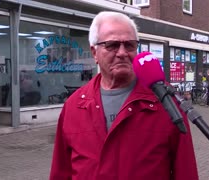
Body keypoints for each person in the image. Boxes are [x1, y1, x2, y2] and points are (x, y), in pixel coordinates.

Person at [50, 11, 198, 180]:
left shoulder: (166, 102)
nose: (122, 53)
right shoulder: (74, 106)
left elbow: (186, 172)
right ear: (94, 52)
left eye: (129, 45)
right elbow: (60, 172)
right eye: (112, 45)